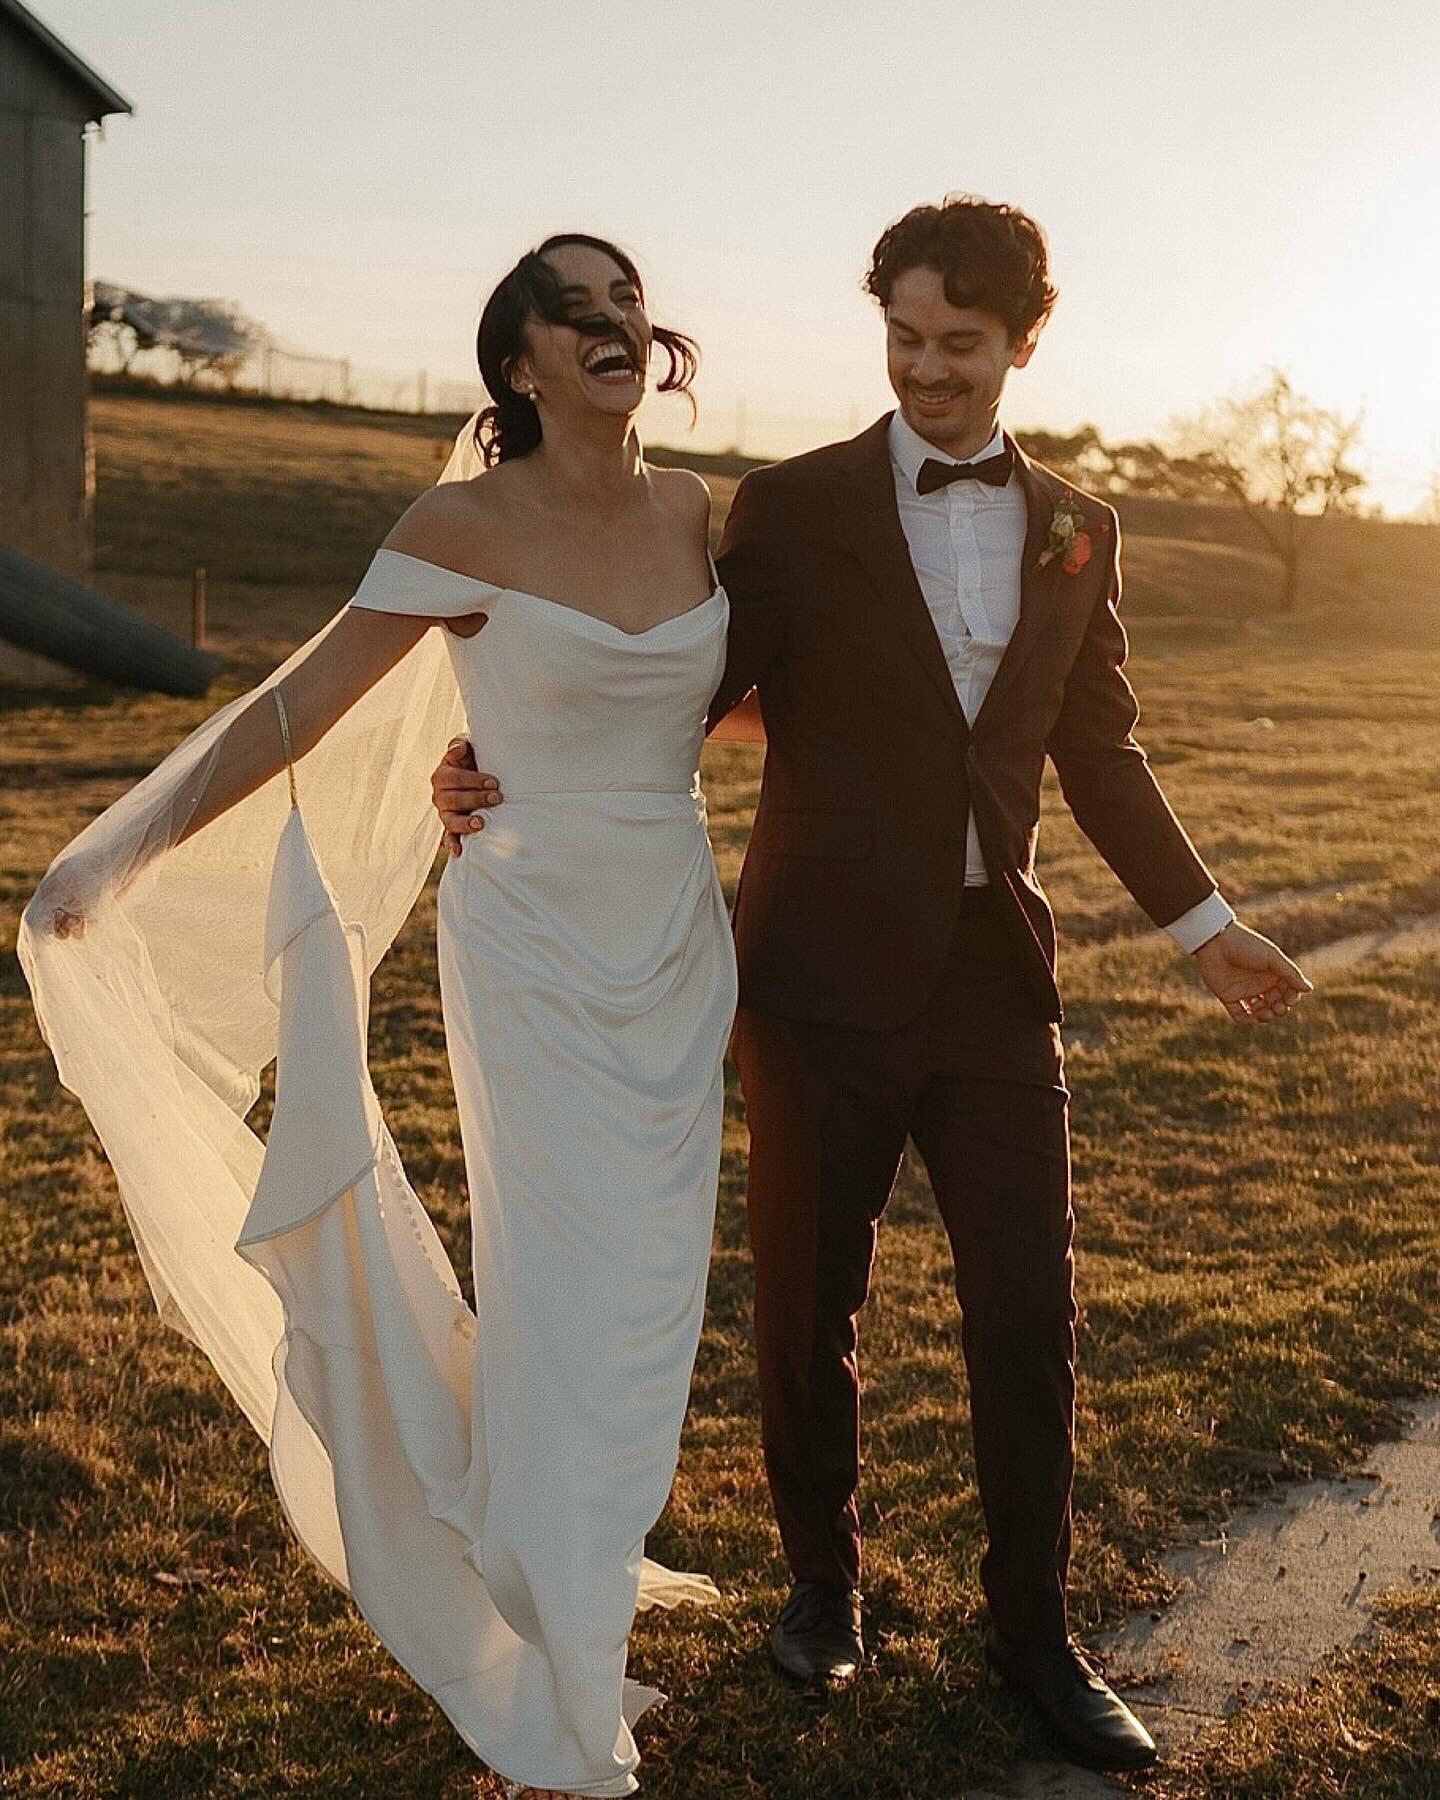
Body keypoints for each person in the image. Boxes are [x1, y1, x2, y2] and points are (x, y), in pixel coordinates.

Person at [432, 195, 1312, 1775]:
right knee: (803, 1302)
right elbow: (685, 691)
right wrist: (499, 764)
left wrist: (1205, 925)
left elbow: (1094, 744)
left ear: (1024, 343)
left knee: (1029, 1313)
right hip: (815, 974)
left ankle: (1034, 1633)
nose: (926, 372)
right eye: (902, 340)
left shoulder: (1078, 525)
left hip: (994, 976)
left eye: (959, 346)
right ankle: (823, 1586)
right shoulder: (795, 504)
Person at [22, 234, 740, 1800]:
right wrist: (109, 861)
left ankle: (571, 1566)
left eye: (625, 298)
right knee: (563, 1287)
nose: (612, 323)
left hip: (678, 940)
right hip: (536, 944)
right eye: (574, 308)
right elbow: (299, 704)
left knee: (648, 1305)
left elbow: (714, 698)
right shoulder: (458, 523)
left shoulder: (698, 511)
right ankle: (555, 1652)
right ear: (522, 365)